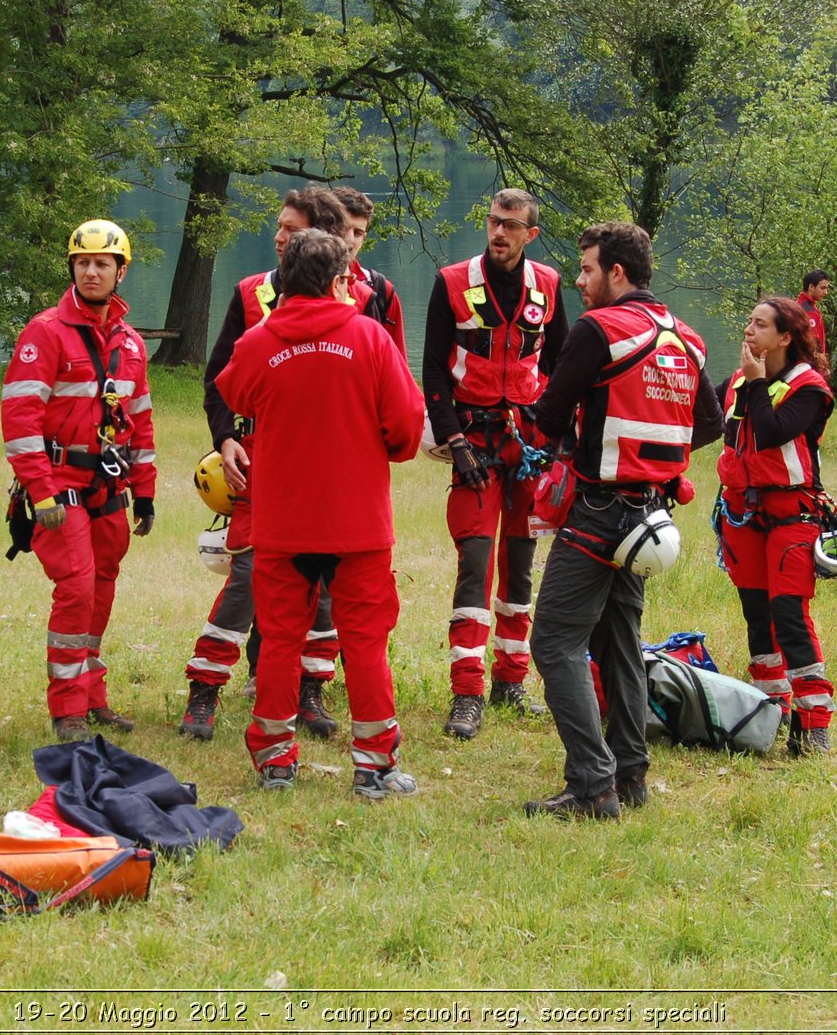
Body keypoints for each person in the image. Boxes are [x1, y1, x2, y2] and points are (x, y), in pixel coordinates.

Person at [215, 228, 425, 797]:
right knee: (364, 642)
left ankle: (275, 762)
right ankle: (374, 767)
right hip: (357, 522)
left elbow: (233, 394)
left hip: (282, 522)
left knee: (280, 640)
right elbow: (406, 430)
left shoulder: (259, 341)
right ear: (339, 282)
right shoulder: (372, 338)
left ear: (282, 280)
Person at [526, 222, 723, 819]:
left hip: (597, 512)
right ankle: (631, 775)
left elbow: (549, 416)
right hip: (650, 517)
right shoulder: (687, 338)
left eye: (586, 270)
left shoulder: (598, 329)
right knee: (619, 644)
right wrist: (656, 450)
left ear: (617, 272)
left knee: (555, 641)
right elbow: (711, 425)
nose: (579, 283)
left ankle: (593, 786)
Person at [179, 185, 358, 742]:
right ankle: (204, 691)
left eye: (289, 227)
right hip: (262, 460)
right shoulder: (252, 292)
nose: (278, 236)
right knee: (249, 577)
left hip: (330, 465)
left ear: (321, 235)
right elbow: (219, 381)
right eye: (279, 226)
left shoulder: (362, 296)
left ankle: (311, 691)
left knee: (326, 583)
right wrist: (226, 437)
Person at [421, 188, 570, 740]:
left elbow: (560, 364)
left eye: (511, 225)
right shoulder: (452, 283)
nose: (499, 233)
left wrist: (555, 439)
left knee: (521, 563)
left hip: (528, 444)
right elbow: (433, 370)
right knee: (476, 563)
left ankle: (511, 680)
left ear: (531, 234)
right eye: (492, 222)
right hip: (474, 440)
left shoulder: (549, 286)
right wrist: (455, 441)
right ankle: (467, 692)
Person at [2, 219, 157, 741]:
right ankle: (66, 707)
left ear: (120, 272)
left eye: (102, 264)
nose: (91, 272)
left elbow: (141, 419)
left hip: (109, 489)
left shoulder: (131, 343)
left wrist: (146, 491)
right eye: (83, 263)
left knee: (103, 589)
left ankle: (93, 696)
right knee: (76, 589)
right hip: (59, 486)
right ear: (72, 268)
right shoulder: (45, 332)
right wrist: (40, 489)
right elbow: (20, 421)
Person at [714, 298, 837, 754]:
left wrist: (756, 382)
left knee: (789, 614)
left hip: (792, 515)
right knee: (756, 612)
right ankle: (771, 710)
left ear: (785, 337)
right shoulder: (737, 382)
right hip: (742, 513)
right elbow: (704, 421)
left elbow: (768, 431)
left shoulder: (811, 387)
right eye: (748, 321)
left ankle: (815, 722)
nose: (749, 331)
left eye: (760, 325)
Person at [331, 186, 407, 353]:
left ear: (364, 237)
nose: (349, 241)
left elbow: (398, 363)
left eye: (358, 233)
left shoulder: (381, 290)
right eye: (342, 228)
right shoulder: (296, 282)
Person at [797, 270, 830, 355]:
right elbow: (813, 344)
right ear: (811, 287)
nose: (826, 292)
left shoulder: (800, 305)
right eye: (823, 288)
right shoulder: (808, 311)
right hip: (810, 362)